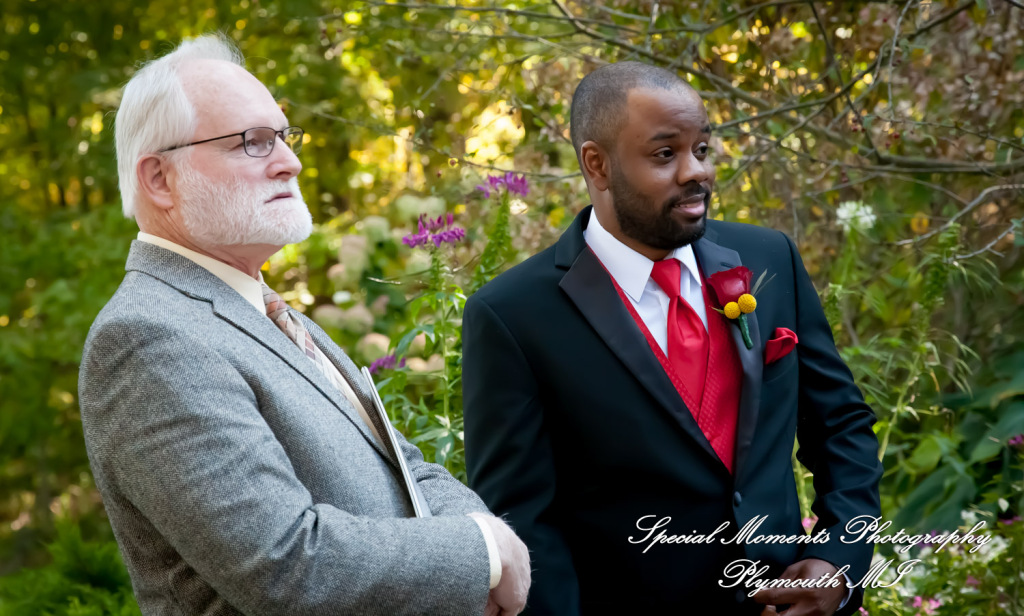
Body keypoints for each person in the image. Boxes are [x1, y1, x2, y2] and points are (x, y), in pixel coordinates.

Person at [79, 34, 529, 616]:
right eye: (252, 143)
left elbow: (404, 465)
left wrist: (482, 530)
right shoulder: (148, 336)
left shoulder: (267, 310)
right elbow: (286, 566)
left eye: (285, 138)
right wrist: (482, 549)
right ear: (160, 179)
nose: (289, 161)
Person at [462, 61, 882, 615]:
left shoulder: (767, 258)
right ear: (598, 164)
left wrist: (838, 563)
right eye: (666, 155)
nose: (696, 173)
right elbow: (523, 523)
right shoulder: (514, 315)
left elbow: (841, 427)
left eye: (702, 149)